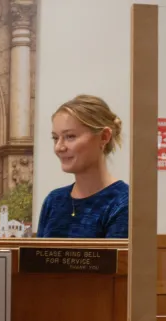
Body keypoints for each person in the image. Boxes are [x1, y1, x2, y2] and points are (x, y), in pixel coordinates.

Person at [37, 95, 129, 238]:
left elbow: (116, 260)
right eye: (55, 138)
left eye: (70, 136)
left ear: (104, 137)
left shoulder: (123, 202)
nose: (59, 147)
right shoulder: (54, 201)